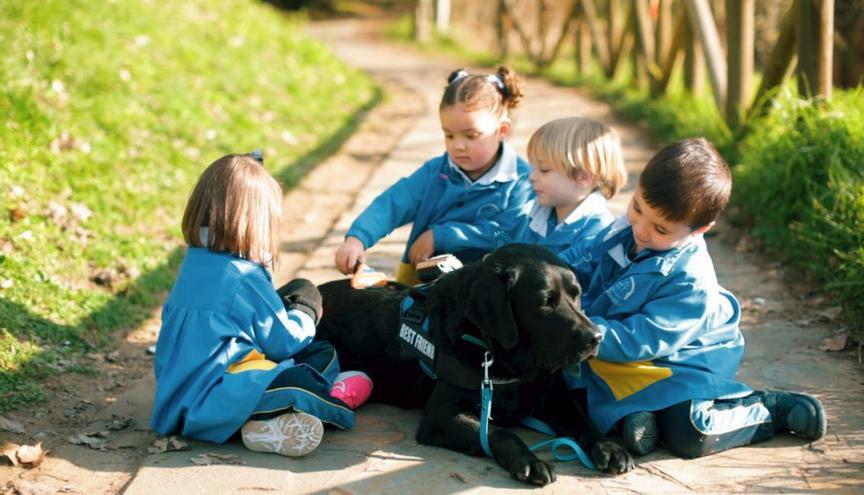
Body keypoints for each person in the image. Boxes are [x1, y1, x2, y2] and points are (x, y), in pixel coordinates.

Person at [559, 138, 826, 459]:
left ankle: (767, 410)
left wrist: (582, 328)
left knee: (689, 432)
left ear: (699, 230)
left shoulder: (689, 278)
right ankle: (642, 418)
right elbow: (580, 263)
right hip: (627, 358)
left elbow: (644, 338)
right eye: (638, 208)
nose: (641, 230)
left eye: (660, 228)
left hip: (682, 362)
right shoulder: (624, 231)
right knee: (576, 396)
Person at [150, 152, 373, 458]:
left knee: (310, 360)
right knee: (305, 378)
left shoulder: (195, 262)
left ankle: (265, 426)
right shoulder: (241, 275)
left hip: (181, 394)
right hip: (214, 396)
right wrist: (306, 311)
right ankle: (336, 402)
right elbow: (283, 342)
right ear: (256, 222)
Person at [335, 66, 533, 285]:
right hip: (424, 283)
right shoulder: (435, 172)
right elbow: (393, 203)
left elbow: (508, 233)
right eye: (448, 135)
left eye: (471, 135)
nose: (458, 145)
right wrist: (357, 238)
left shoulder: (522, 181)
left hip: (487, 290)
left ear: (502, 130)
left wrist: (440, 236)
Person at [490, 116, 627, 255]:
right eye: (533, 168)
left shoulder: (597, 231)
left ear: (583, 177)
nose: (532, 177)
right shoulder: (538, 212)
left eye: (544, 170)